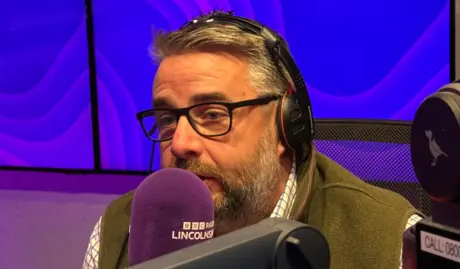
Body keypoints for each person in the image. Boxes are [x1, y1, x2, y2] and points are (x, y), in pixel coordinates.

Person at [83, 10, 424, 269]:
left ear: (284, 124)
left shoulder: (393, 243)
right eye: (168, 120)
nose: (180, 143)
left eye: (213, 114)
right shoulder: (117, 231)